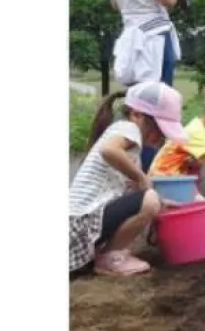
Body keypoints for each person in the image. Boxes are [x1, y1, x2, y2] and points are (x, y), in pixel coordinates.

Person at [70, 81, 187, 276]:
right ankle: (109, 258)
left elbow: (131, 195)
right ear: (137, 114)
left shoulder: (131, 146)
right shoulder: (127, 128)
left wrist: (160, 201)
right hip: (79, 225)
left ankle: (106, 252)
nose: (160, 137)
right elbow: (108, 150)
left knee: (150, 199)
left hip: (84, 225)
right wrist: (141, 178)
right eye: (158, 128)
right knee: (149, 199)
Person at [109, 0, 193, 173]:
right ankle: (151, 177)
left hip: (132, 36)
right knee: (156, 113)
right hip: (154, 37)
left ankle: (133, 173)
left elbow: (115, 2)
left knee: (137, 107)